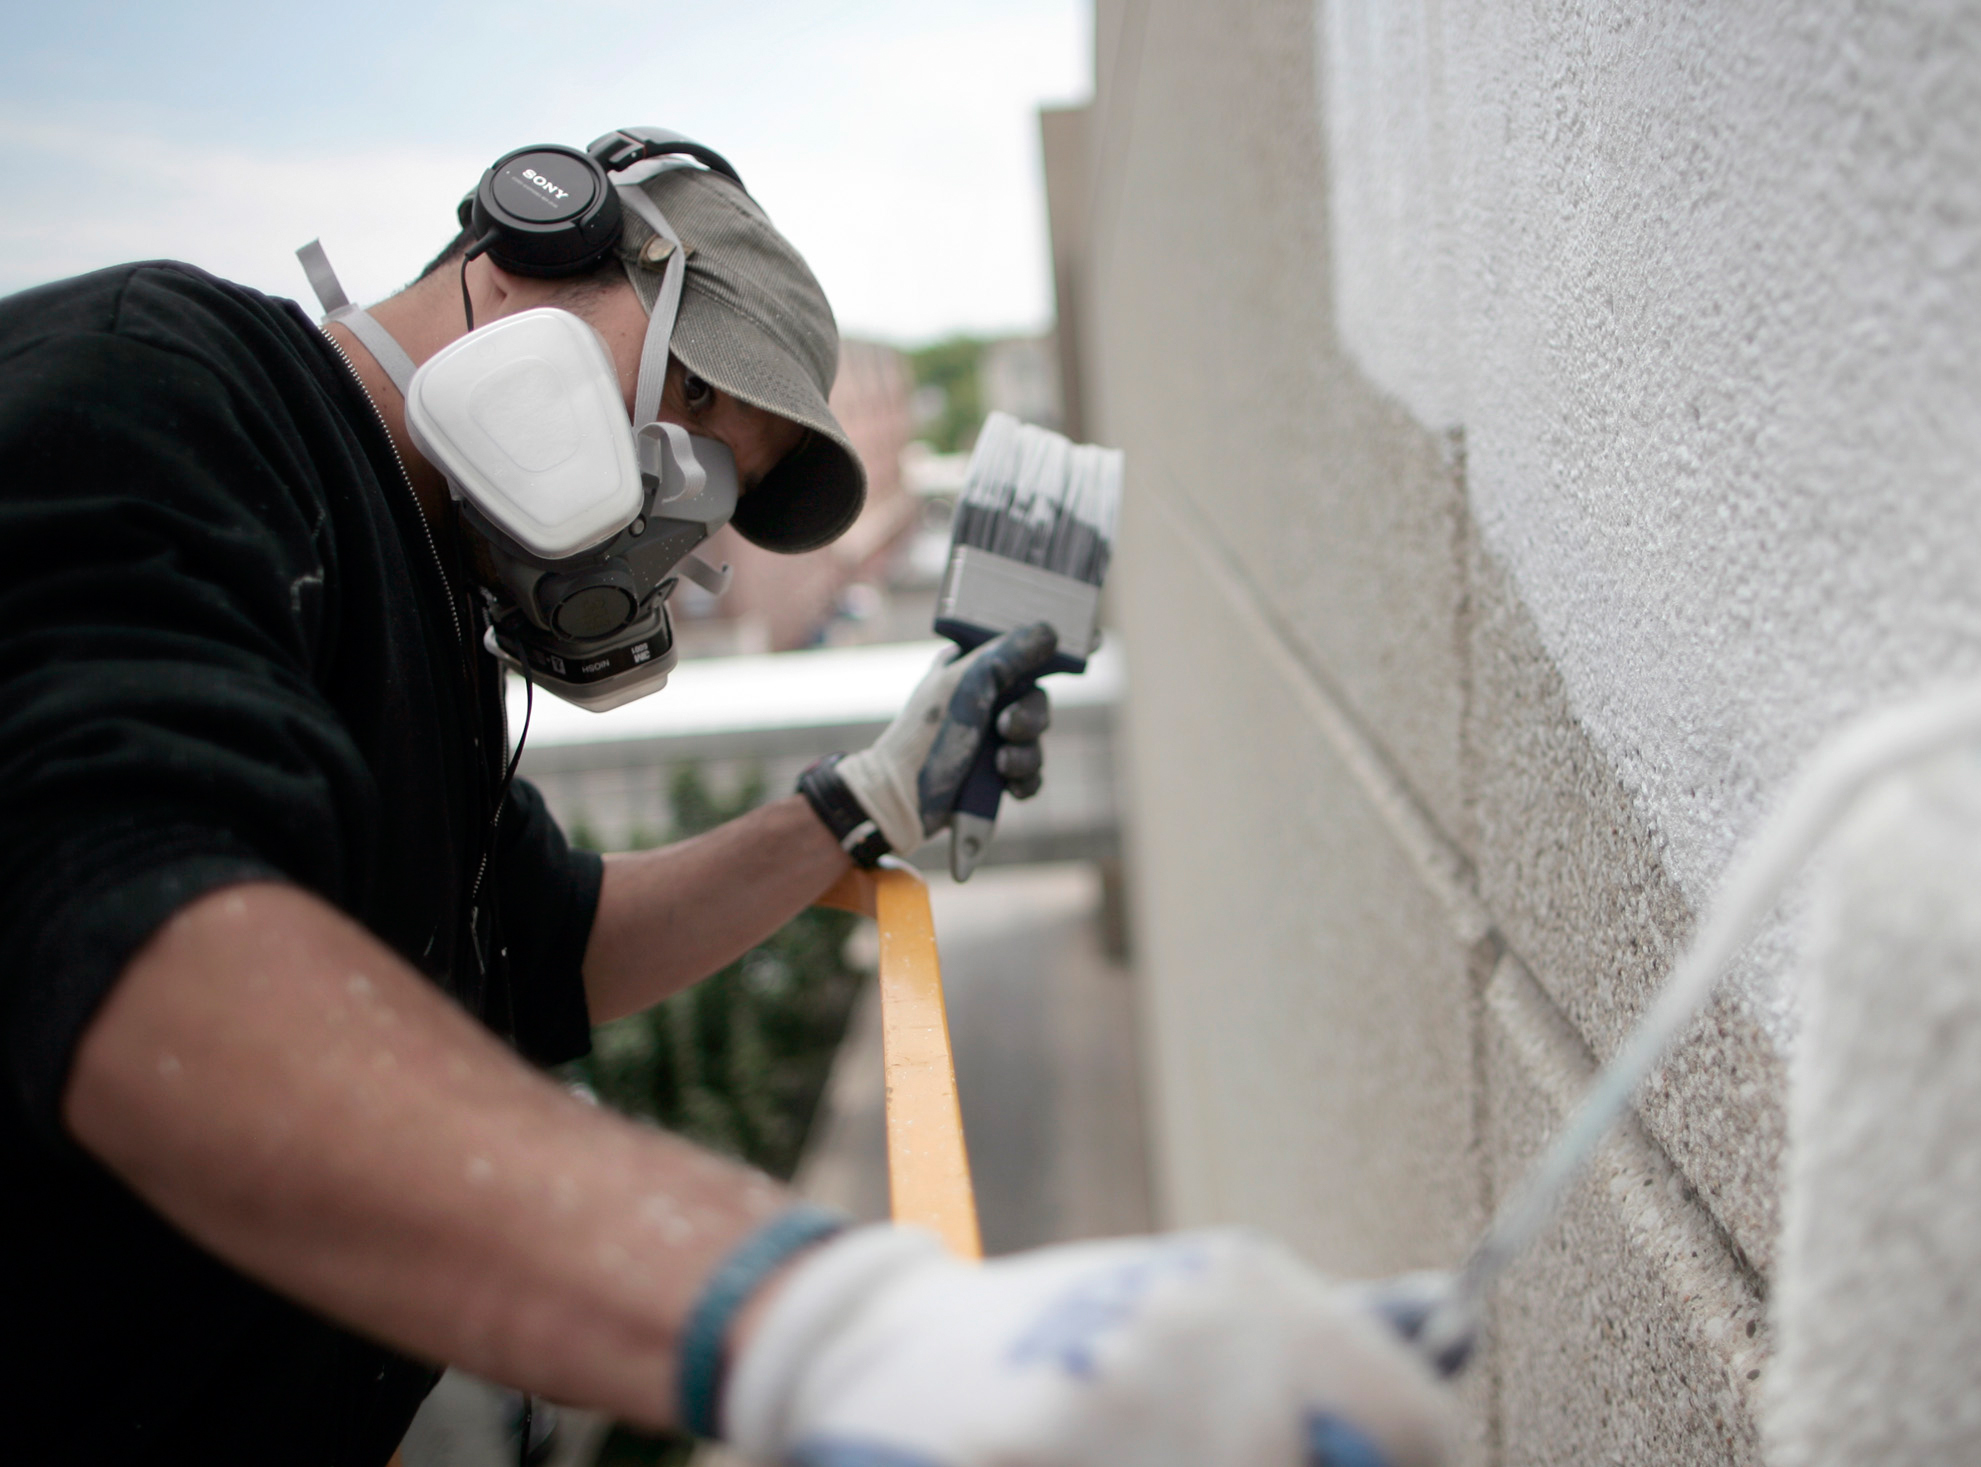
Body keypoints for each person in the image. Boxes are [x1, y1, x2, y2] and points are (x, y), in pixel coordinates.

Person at [0, 130, 1449, 1466]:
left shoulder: (434, 610)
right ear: (528, 242)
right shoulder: (154, 389)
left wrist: (859, 804)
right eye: (692, 396)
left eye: (714, 471)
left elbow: (556, 946)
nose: (673, 486)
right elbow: (115, 912)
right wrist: (820, 1322)